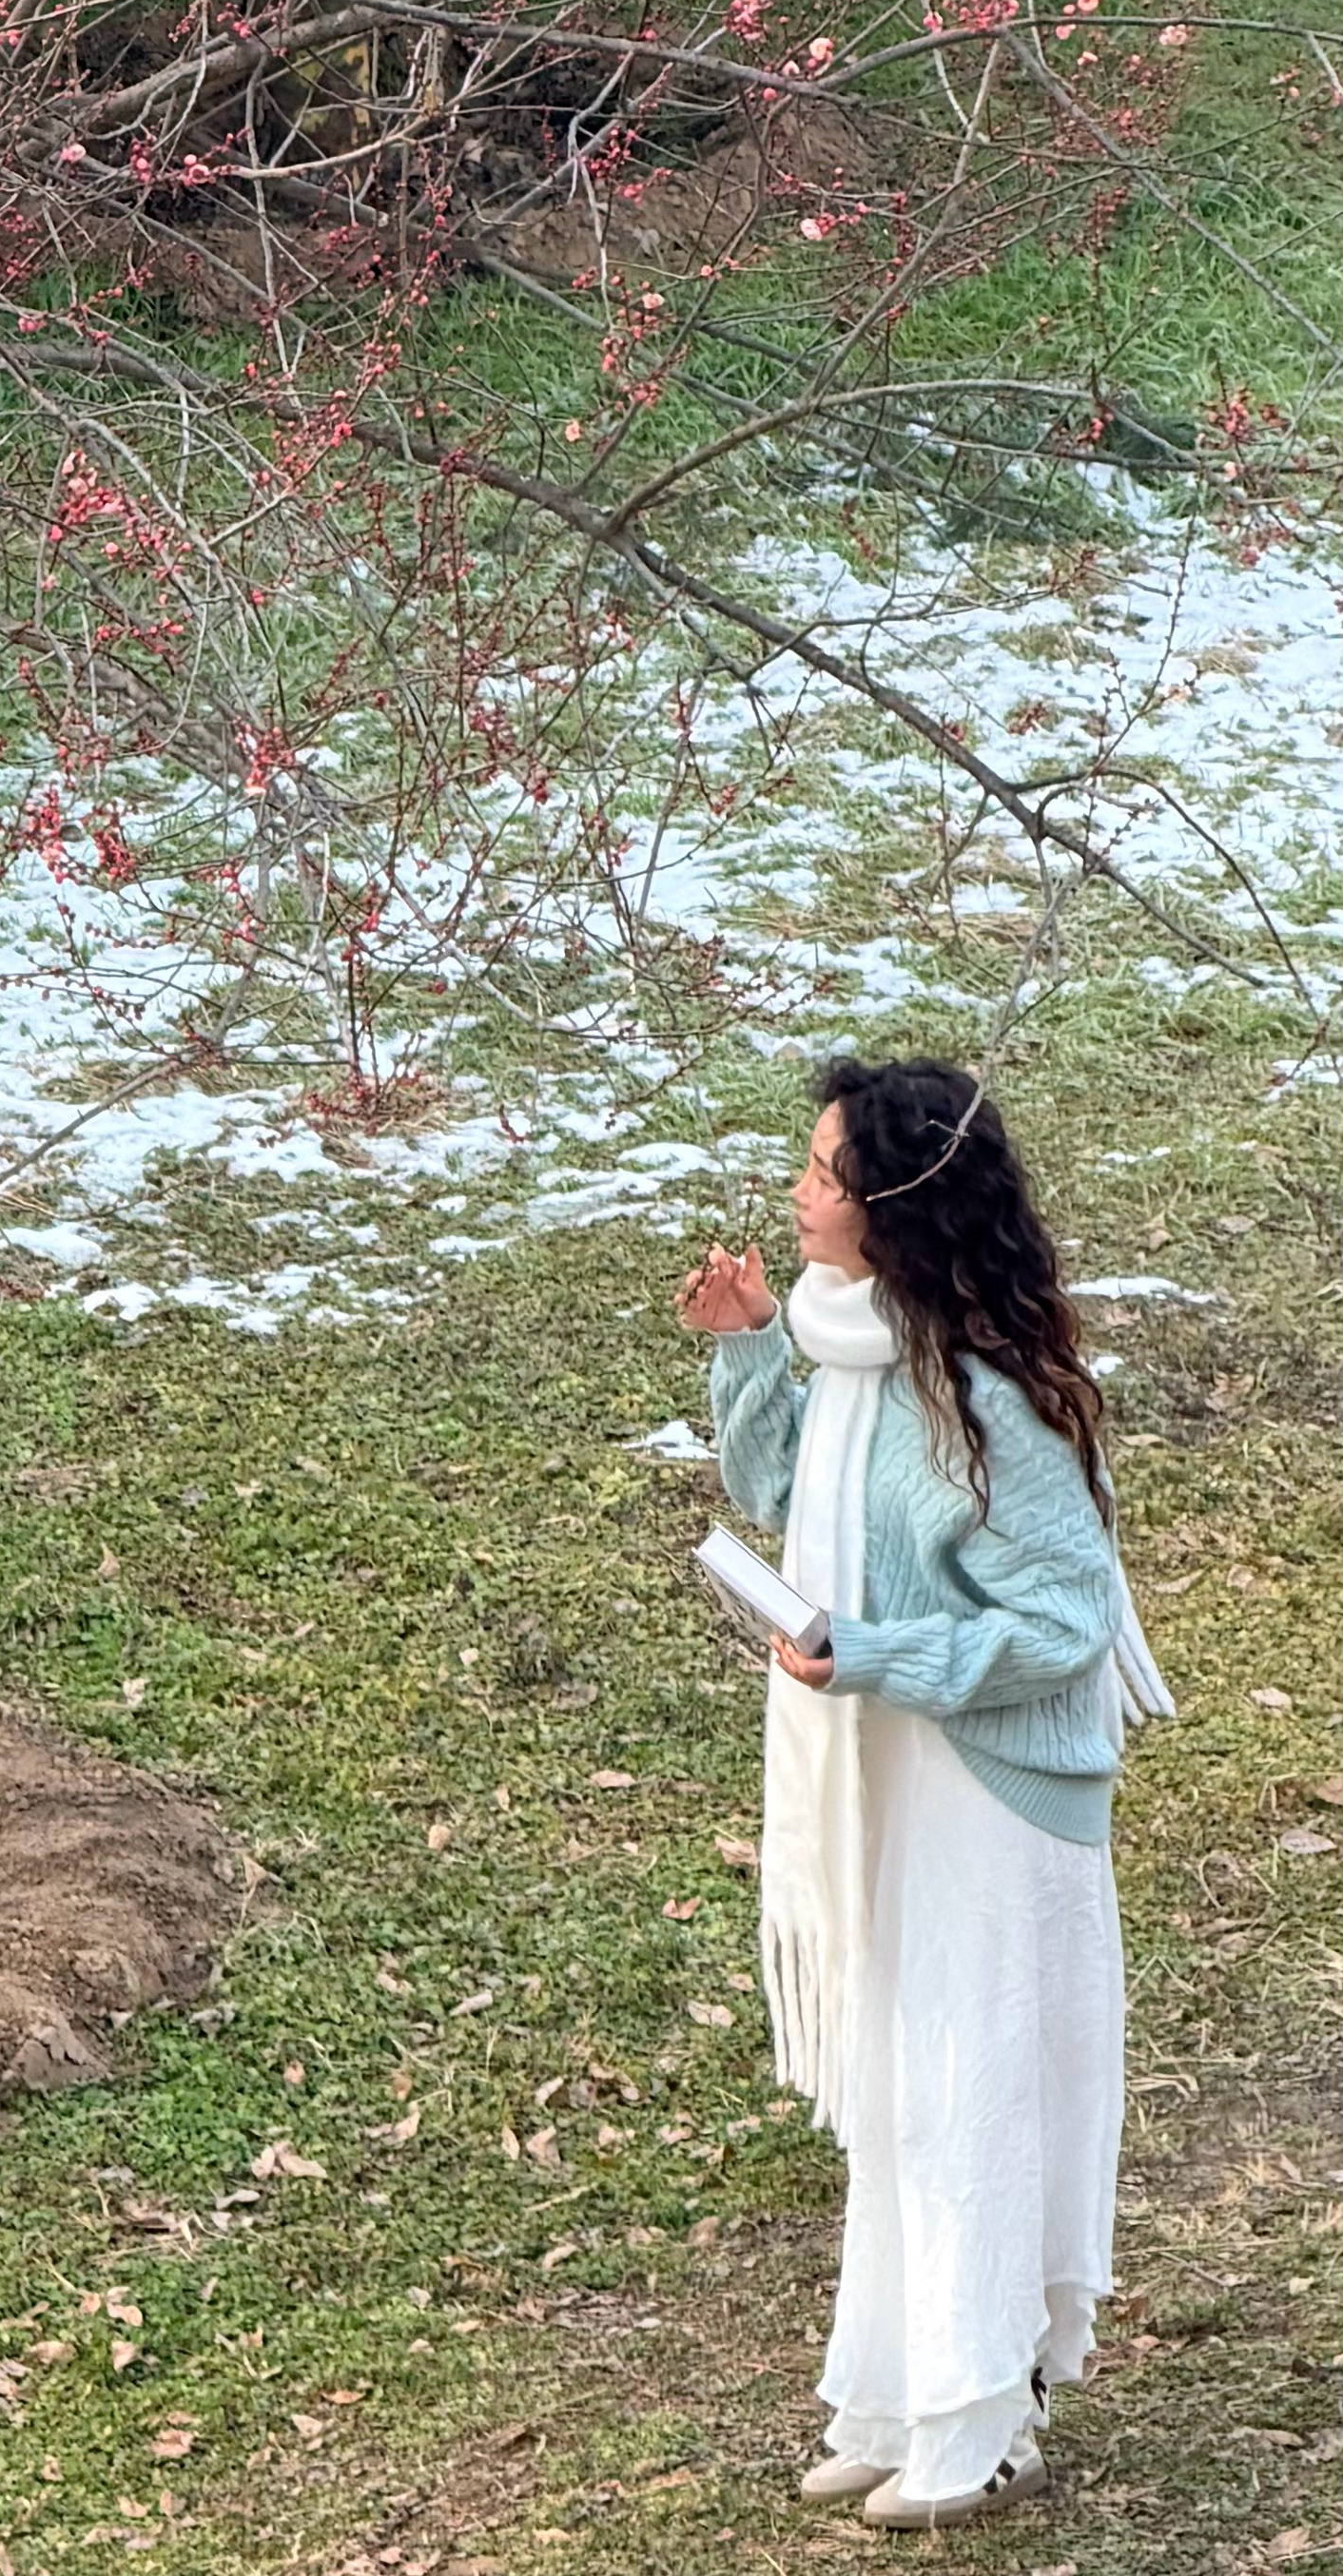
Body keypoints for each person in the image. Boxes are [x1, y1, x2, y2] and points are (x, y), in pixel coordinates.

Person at [676, 1056, 1170, 2532]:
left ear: (894, 1203)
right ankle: (894, 2388)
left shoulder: (991, 1396)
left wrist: (876, 1649)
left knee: (966, 2088)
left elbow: (1063, 1622)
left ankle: (980, 2410)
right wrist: (747, 1342)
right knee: (900, 2089)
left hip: (985, 1783)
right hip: (879, 1760)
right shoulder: (847, 1343)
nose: (797, 1189)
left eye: (824, 1173)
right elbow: (776, 1490)